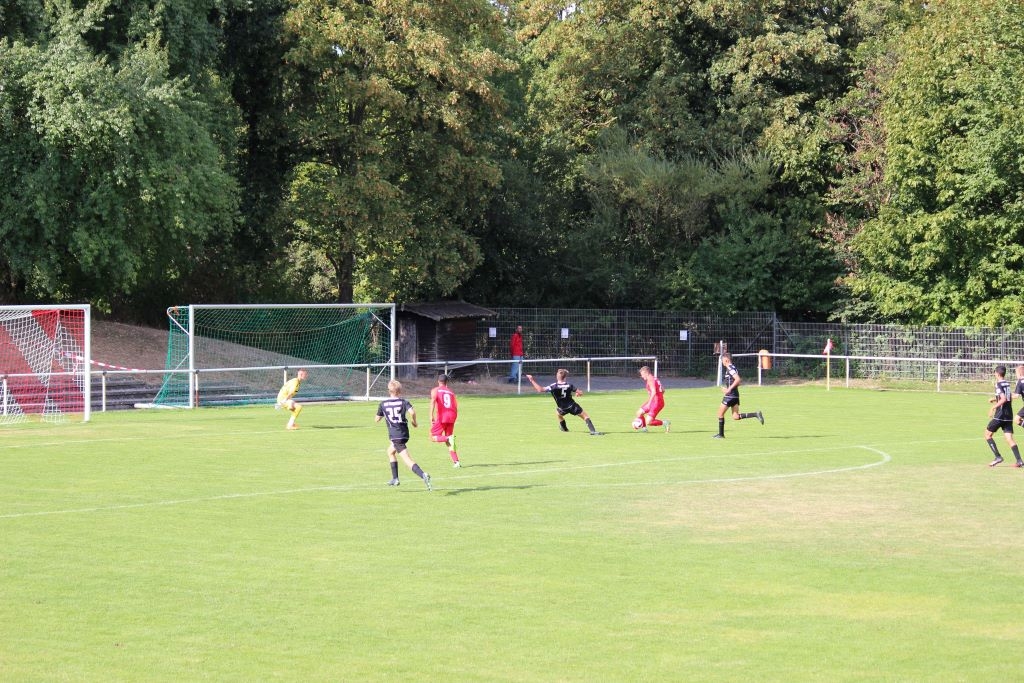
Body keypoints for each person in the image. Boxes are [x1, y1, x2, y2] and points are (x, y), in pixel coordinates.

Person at [375, 379, 432, 489]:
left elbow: (376, 419)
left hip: (395, 435)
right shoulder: (404, 402)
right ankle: (395, 478)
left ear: (389, 391)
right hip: (403, 433)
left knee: (407, 459)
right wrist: (414, 422)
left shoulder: (383, 404)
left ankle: (423, 475)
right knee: (390, 452)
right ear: (400, 391)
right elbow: (412, 412)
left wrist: (383, 415)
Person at [525, 369, 600, 435]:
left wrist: (532, 380)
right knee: (585, 416)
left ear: (557, 376)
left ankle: (564, 428)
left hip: (562, 408)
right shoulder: (569, 385)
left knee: (558, 414)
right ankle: (593, 431)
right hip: (572, 406)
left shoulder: (554, 386)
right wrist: (577, 393)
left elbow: (540, 389)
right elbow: (580, 392)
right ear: (565, 377)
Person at [713, 353, 763, 438]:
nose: (722, 362)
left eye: (722, 360)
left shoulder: (730, 368)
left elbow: (738, 379)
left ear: (726, 360)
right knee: (735, 416)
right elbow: (738, 382)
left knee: (720, 414)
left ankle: (721, 435)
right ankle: (756, 414)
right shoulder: (734, 368)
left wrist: (728, 389)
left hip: (730, 396)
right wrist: (729, 388)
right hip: (735, 395)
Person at [985, 365, 1024, 467]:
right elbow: (1008, 397)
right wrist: (995, 399)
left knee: (987, 435)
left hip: (1000, 415)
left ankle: (998, 457)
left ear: (997, 374)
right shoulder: (1007, 383)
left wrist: (993, 407)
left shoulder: (998, 384)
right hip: (1009, 415)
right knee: (1009, 438)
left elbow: (1003, 399)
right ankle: (1019, 460)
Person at [430, 373, 461, 468]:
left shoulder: (435, 390)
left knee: (433, 437)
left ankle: (448, 438)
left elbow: (433, 402)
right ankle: (456, 462)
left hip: (443, 417)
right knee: (449, 440)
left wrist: (431, 416)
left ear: (438, 381)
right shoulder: (451, 392)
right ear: (446, 382)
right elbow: (455, 406)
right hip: (452, 416)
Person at [633, 365, 669, 432]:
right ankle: (644, 429)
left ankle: (665, 423)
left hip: (657, 403)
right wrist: (659, 396)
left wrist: (650, 403)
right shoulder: (654, 378)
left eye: (642, 374)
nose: (642, 376)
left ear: (646, 373)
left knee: (649, 422)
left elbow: (654, 392)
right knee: (639, 413)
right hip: (654, 401)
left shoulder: (650, 380)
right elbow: (663, 390)